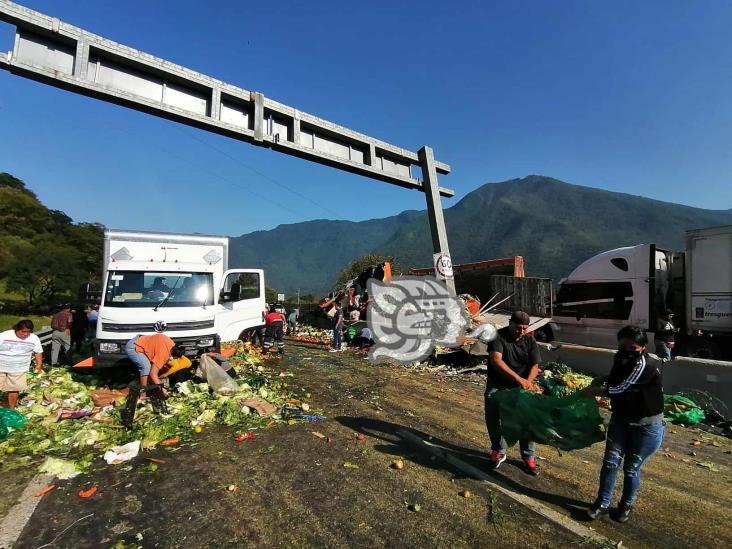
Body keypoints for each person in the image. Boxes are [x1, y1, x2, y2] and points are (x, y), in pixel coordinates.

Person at [581, 325, 664, 523]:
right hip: (621, 418)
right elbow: (618, 378)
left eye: (633, 348)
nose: (627, 351)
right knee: (610, 462)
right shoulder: (621, 357)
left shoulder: (646, 365)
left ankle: (626, 504)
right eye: (623, 346)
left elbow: (621, 388)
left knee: (631, 467)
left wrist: (593, 392)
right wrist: (604, 378)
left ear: (643, 347)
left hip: (646, 425)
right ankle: (602, 503)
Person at [485, 310, 541, 475]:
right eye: (518, 327)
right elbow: (496, 360)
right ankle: (498, 450)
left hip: (521, 387)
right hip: (498, 385)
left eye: (525, 328)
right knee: (493, 417)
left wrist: (528, 382)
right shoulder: (497, 337)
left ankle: (528, 456)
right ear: (510, 323)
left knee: (526, 420)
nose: (521, 331)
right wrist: (519, 379)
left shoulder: (530, 340)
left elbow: (535, 365)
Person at [125, 321, 184, 394]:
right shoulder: (163, 354)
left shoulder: (172, 344)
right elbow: (153, 374)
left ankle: (149, 387)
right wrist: (162, 389)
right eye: (175, 358)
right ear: (173, 354)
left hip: (141, 340)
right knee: (146, 367)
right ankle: (143, 394)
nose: (174, 359)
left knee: (152, 367)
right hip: (134, 346)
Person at [0, 320, 43, 409]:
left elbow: (38, 352)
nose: (26, 334)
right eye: (23, 331)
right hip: (1, 366)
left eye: (28, 332)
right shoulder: (4, 336)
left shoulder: (34, 338)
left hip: (19, 368)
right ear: (17, 329)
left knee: (14, 389)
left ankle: (11, 410)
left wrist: (38, 365)